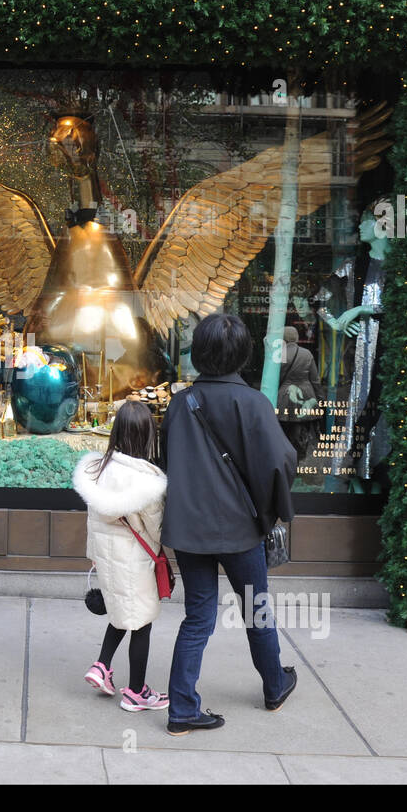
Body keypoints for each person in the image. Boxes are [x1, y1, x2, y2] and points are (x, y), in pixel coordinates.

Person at [160, 313, 299, 733]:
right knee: (257, 609)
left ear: (198, 352)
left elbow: (170, 465)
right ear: (243, 354)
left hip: (190, 528)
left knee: (197, 617)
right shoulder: (253, 402)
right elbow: (279, 462)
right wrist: (271, 509)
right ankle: (274, 686)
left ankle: (182, 709)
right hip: (241, 529)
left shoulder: (181, 403)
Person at [72, 400, 170, 711]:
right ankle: (137, 692)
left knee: (121, 611)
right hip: (135, 563)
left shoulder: (97, 470)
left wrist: (94, 556)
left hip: (108, 559)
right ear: (146, 436)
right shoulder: (147, 480)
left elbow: (92, 521)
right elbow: (158, 530)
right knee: (141, 622)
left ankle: (101, 666)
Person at [275, 326, 324, 462]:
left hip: (284, 396)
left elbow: (275, 378)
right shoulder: (307, 353)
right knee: (303, 432)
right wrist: (321, 399)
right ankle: (300, 459)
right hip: (306, 395)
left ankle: (287, 460)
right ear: (296, 337)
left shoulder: (279, 353)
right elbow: (315, 379)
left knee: (284, 432)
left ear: (283, 338)